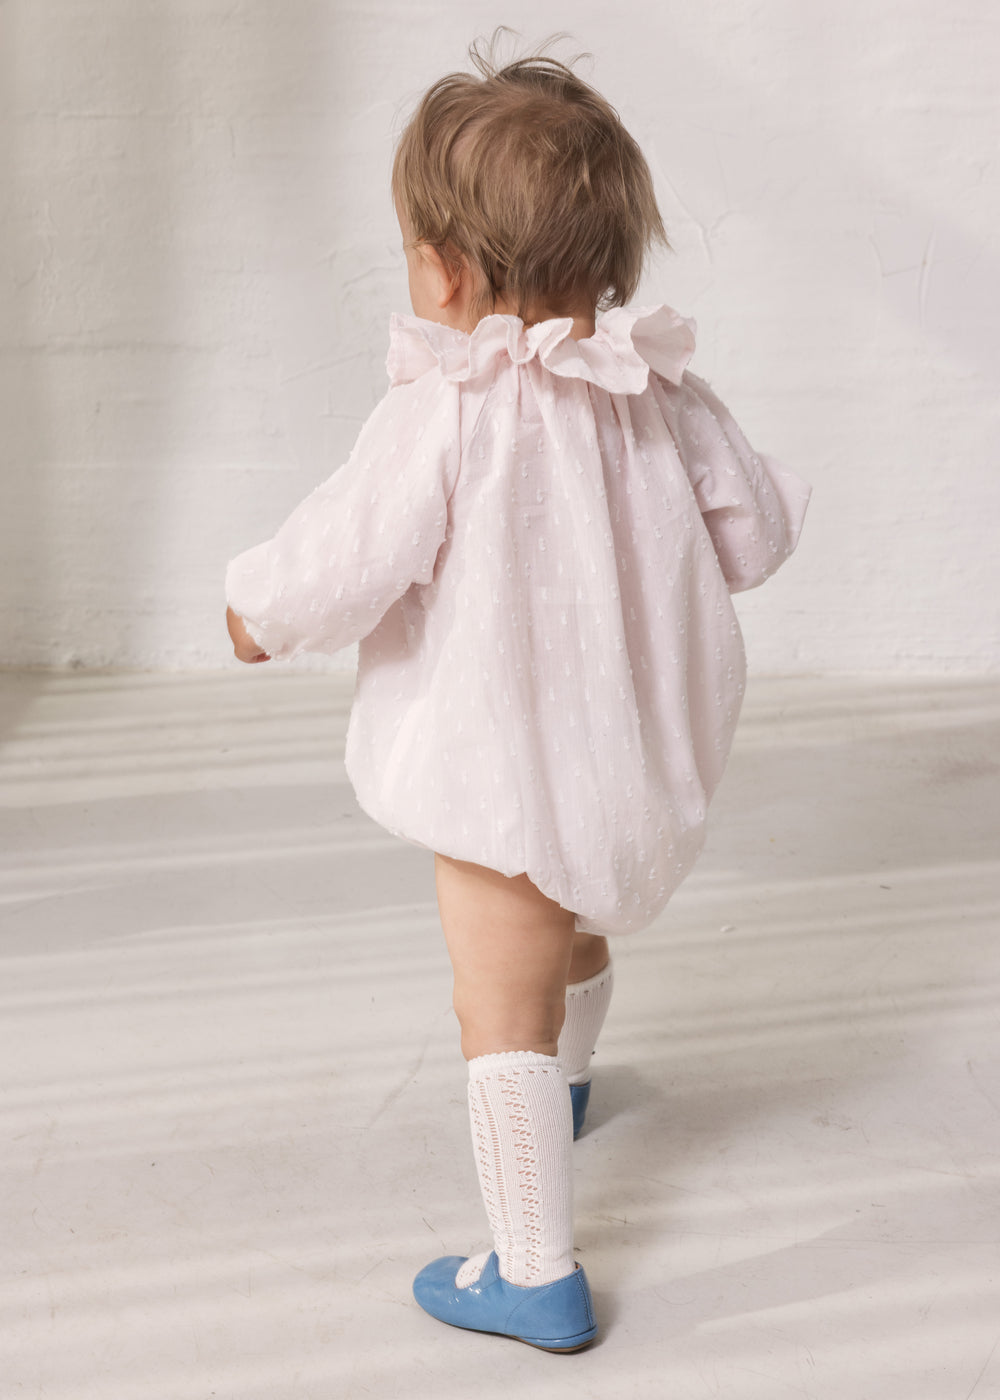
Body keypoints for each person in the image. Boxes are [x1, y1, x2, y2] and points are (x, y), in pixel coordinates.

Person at [225, 45, 810, 1352]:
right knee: (578, 933)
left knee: (499, 1001)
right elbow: (755, 538)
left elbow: (344, 557)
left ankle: (533, 1268)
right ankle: (578, 1085)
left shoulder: (445, 413)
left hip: (500, 775)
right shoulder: (662, 392)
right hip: (638, 778)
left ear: (438, 270)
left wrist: (256, 614)